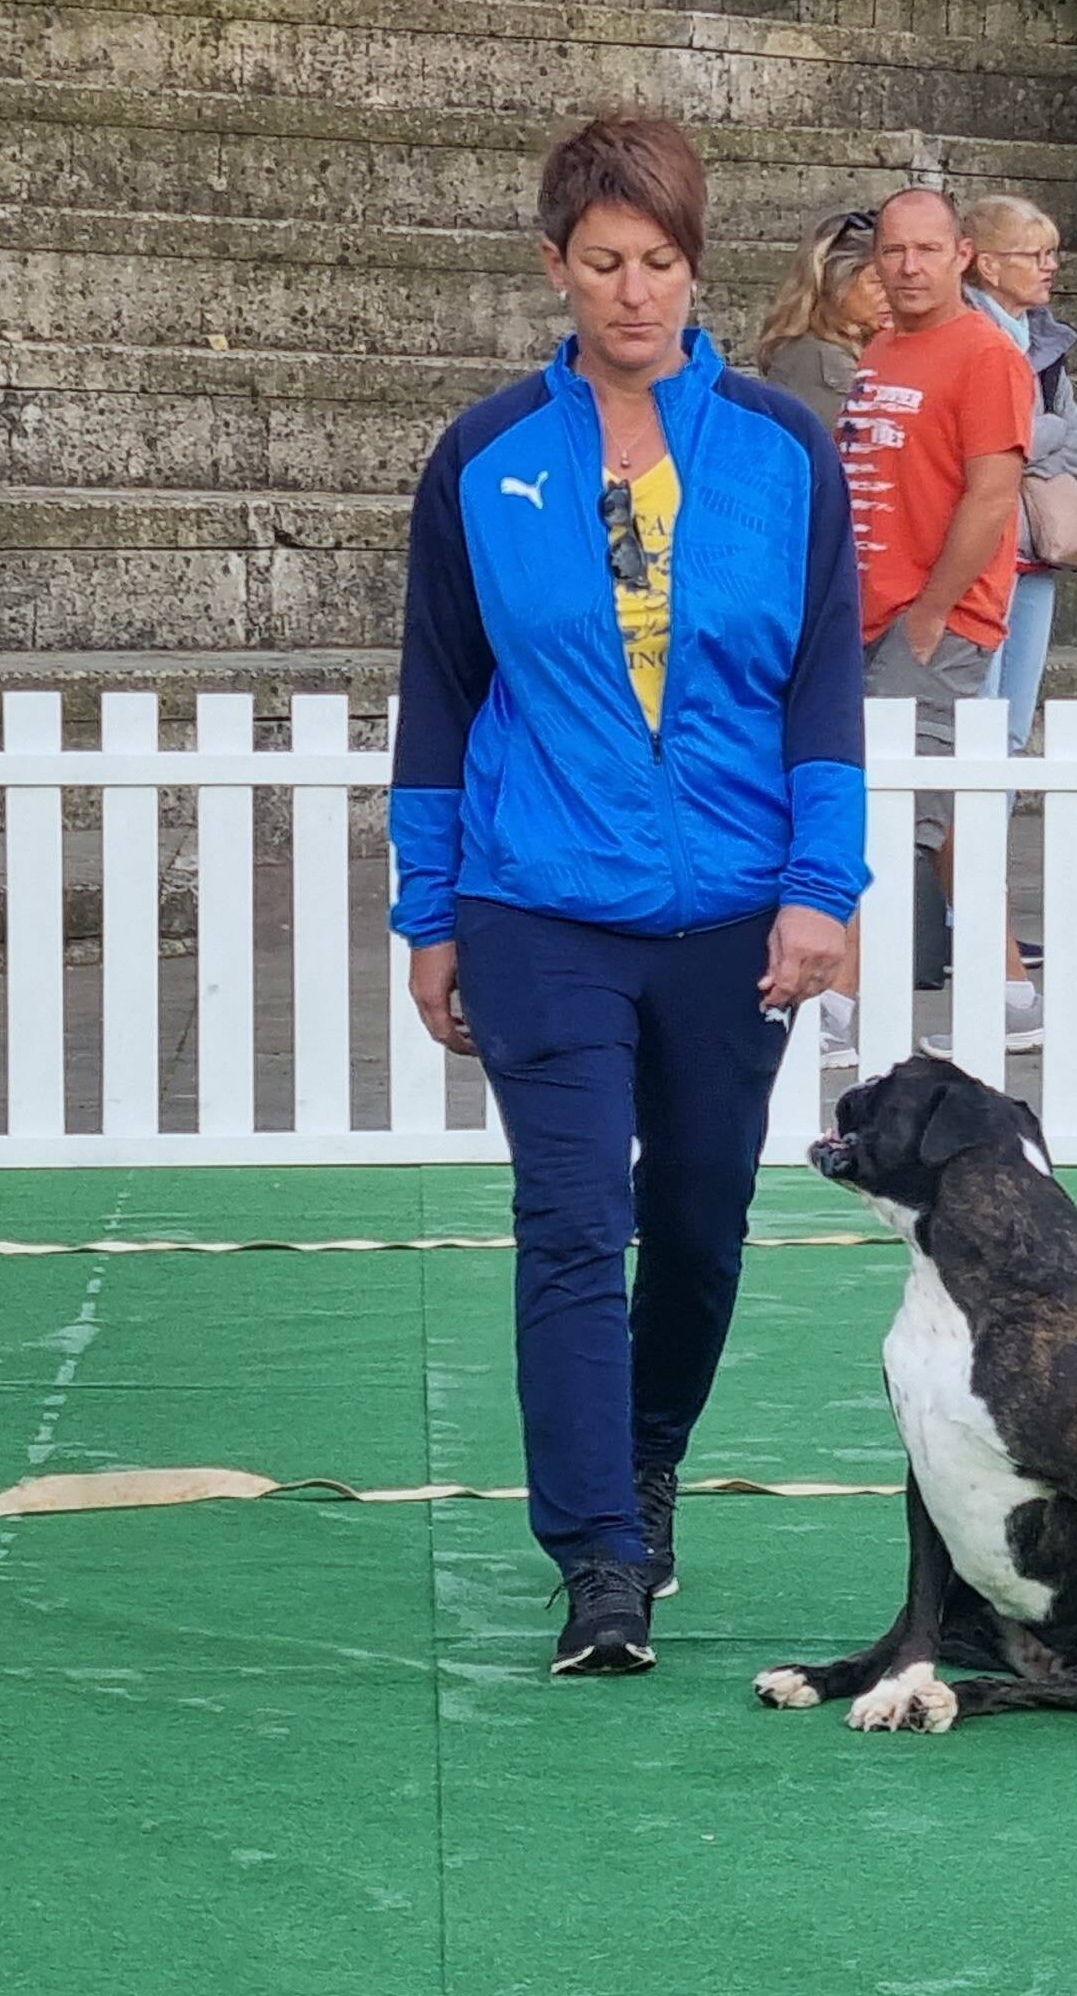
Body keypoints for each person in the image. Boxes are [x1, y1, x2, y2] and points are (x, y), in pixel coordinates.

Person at [391, 113, 866, 1679]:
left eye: (660, 262)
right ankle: (598, 1550)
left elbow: (821, 690)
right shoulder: (483, 457)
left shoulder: (782, 450)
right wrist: (432, 907)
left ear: (695, 266)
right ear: (555, 268)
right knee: (574, 1218)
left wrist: (819, 885)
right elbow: (442, 693)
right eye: (603, 263)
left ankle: (648, 1458)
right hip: (542, 905)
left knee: (703, 1220)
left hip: (736, 910)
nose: (634, 292)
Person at [831, 185, 1041, 1059]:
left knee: (880, 813)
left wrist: (931, 613)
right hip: (865, 612)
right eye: (893, 251)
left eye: (927, 249)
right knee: (943, 819)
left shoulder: (985, 355)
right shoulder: (877, 349)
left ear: (963, 255)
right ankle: (1012, 997)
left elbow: (994, 493)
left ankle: (841, 1012)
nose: (909, 266)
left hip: (934, 621)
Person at [960, 193, 1077, 754]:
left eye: (1053, 253)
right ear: (988, 265)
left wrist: (1028, 443)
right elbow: (985, 443)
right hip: (979, 547)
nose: (1051, 267)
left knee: (1014, 723)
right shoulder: (963, 334)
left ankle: (997, 840)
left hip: (1036, 546)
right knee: (977, 717)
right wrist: (1035, 436)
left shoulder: (1045, 341)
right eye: (1036, 255)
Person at [750, 209, 879, 434]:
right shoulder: (820, 361)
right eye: (877, 282)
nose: (892, 293)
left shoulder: (845, 349)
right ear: (835, 282)